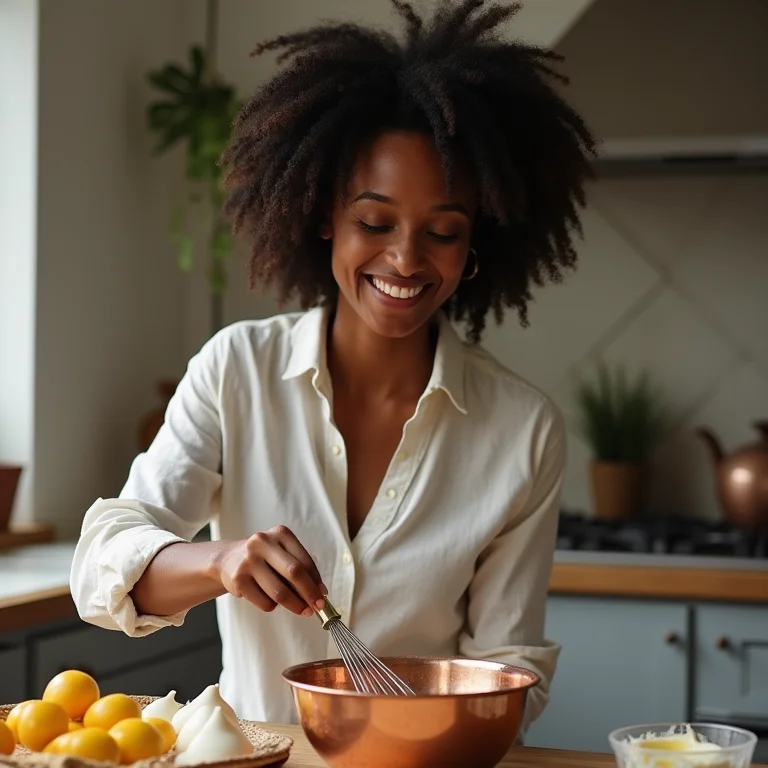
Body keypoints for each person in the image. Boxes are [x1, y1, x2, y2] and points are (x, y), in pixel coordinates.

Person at [70, 0, 595, 731]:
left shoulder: (522, 429)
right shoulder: (236, 371)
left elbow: (512, 664)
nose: (406, 260)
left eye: (442, 232)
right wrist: (219, 562)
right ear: (324, 217)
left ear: (478, 243)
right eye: (374, 223)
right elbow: (101, 567)